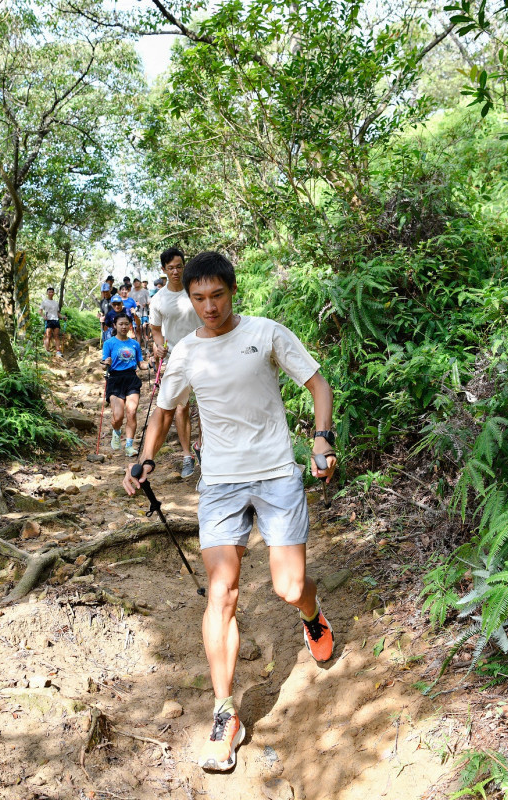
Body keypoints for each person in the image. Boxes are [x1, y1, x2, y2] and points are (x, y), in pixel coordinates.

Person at [123, 251, 338, 773]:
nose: (209, 306)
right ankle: (225, 713)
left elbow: (318, 385)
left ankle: (310, 614)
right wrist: (146, 457)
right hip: (219, 484)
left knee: (290, 587)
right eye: (199, 298)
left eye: (217, 295)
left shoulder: (265, 333)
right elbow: (164, 409)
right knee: (221, 591)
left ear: (232, 291)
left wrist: (322, 440)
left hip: (277, 474)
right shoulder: (185, 353)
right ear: (187, 298)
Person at [149, 247, 201, 478]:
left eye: (179, 266)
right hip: (176, 359)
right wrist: (158, 346)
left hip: (205, 354)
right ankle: (187, 455)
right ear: (163, 270)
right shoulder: (158, 299)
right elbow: (155, 329)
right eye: (171, 268)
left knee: (211, 402)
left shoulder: (195, 289)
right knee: (181, 407)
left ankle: (203, 447)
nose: (176, 271)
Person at [102, 315, 145, 456]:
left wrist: (151, 363)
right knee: (118, 417)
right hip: (115, 379)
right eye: (121, 324)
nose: (124, 326)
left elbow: (141, 364)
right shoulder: (109, 343)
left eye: (126, 324)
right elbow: (104, 364)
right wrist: (105, 363)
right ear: (115, 325)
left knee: (131, 412)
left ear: (130, 325)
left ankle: (129, 446)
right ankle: (116, 431)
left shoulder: (135, 344)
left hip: (131, 378)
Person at [40, 287, 62, 358]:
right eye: (49, 292)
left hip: (56, 320)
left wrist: (63, 317)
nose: (51, 293)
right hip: (48, 320)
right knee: (48, 336)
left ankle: (58, 351)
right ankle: (47, 351)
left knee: (56, 336)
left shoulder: (56, 303)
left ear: (54, 293)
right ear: (47, 293)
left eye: (52, 292)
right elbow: (40, 311)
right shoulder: (44, 302)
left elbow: (57, 313)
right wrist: (44, 317)